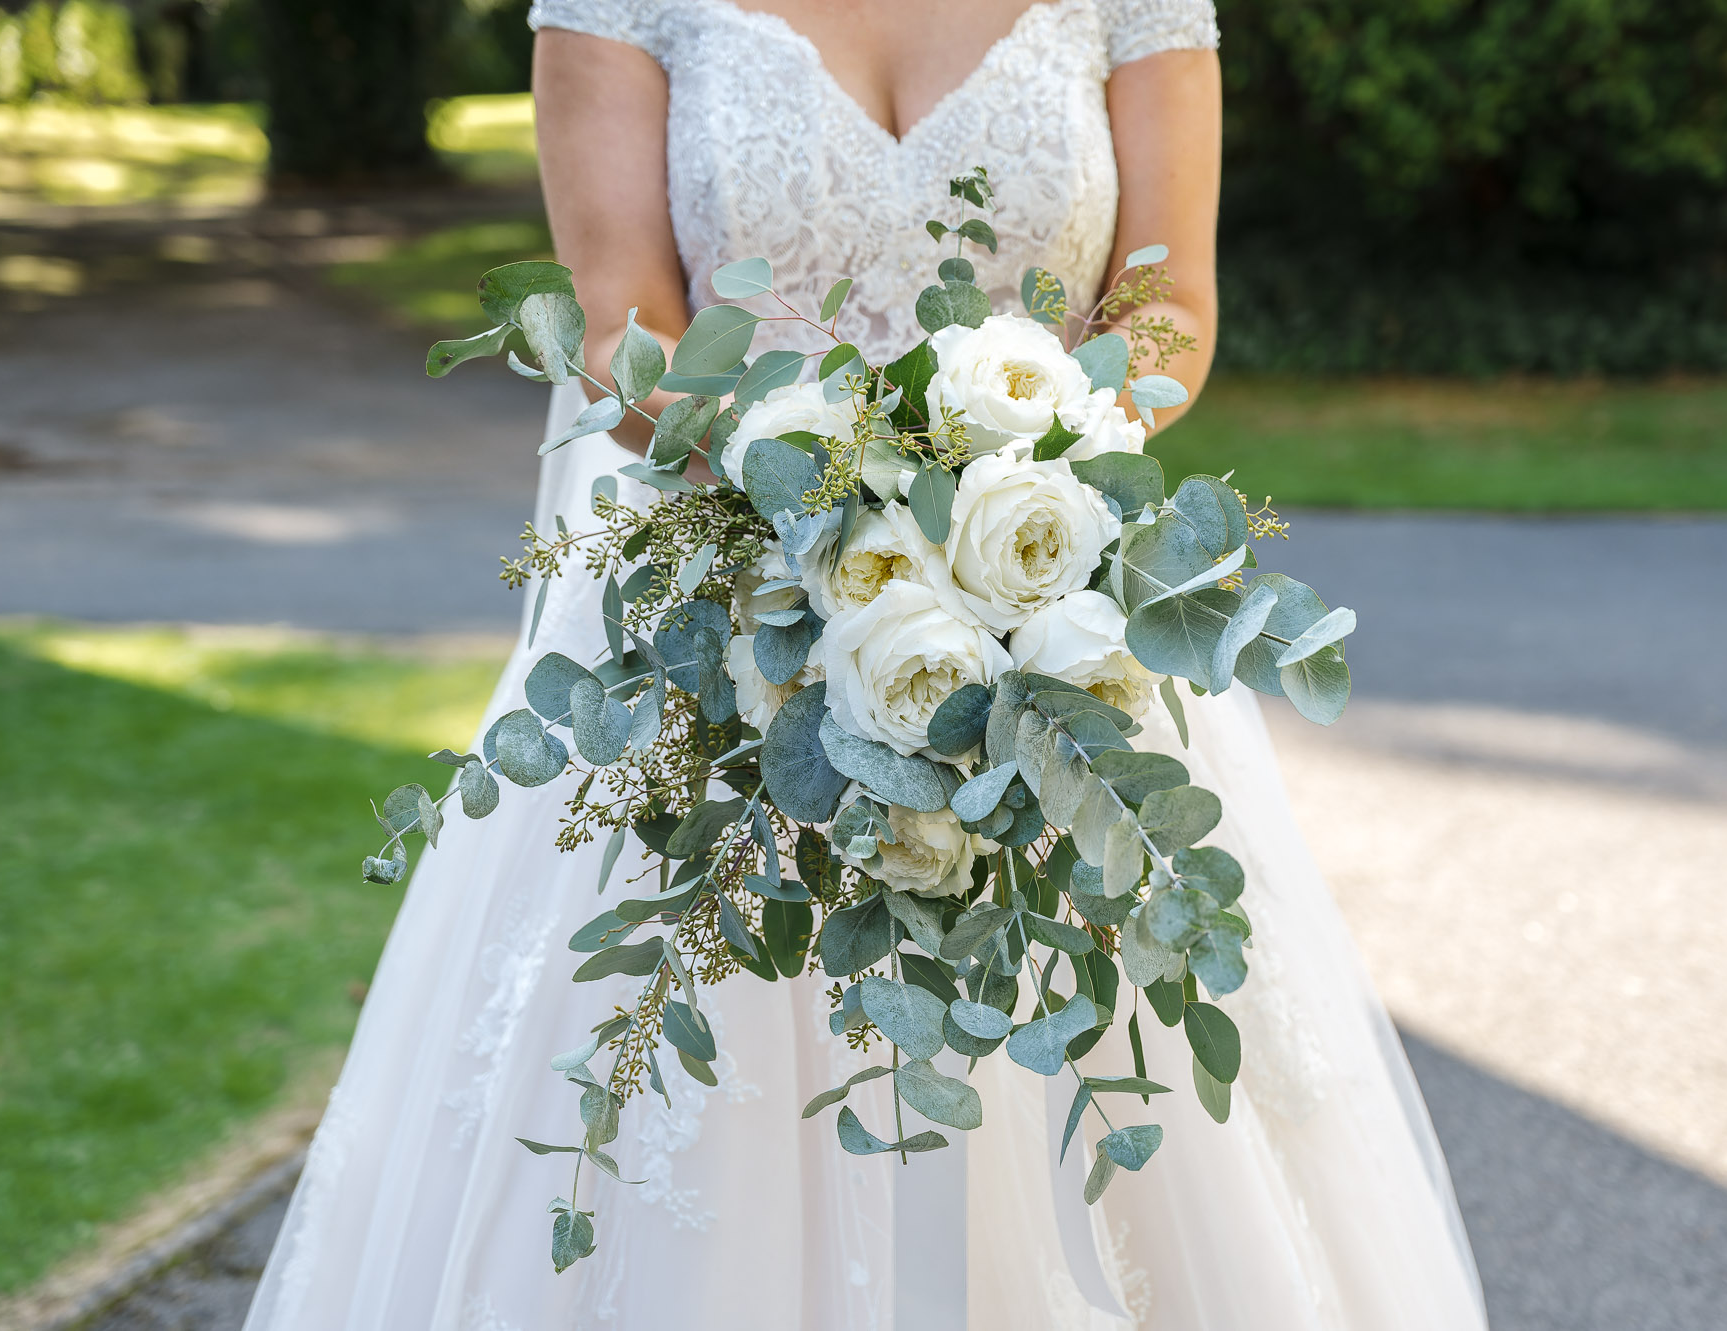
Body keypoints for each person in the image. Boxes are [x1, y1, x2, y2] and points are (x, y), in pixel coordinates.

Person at [242, 3, 1491, 1327]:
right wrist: (833, 499)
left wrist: (1008, 487)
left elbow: (1167, 307)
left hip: (1044, 606)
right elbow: (621, 325)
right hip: (728, 611)